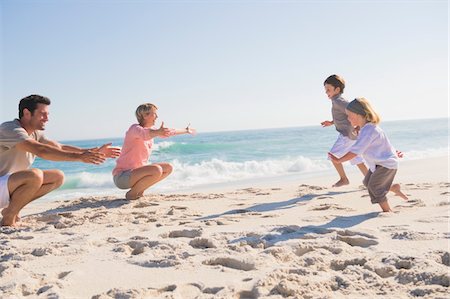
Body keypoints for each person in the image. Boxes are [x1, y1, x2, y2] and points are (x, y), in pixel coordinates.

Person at [0, 95, 121, 226]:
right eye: (42, 114)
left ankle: (11, 210)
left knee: (57, 176)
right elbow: (41, 150)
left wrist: (91, 152)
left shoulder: (35, 133)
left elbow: (60, 147)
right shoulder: (10, 129)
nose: (47, 119)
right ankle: (8, 219)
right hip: (4, 184)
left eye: (47, 114)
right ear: (27, 113)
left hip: (7, 185)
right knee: (35, 175)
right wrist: (79, 158)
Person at [328, 98, 407, 212]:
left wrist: (339, 160)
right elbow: (383, 144)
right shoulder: (367, 128)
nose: (348, 119)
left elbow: (356, 151)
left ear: (359, 115)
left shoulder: (369, 130)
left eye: (350, 116)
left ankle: (387, 211)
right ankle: (393, 187)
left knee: (374, 187)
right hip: (379, 163)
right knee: (367, 182)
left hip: (385, 164)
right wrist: (394, 152)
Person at [112, 103, 196, 200]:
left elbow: (169, 131)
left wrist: (186, 130)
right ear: (145, 115)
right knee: (156, 169)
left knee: (167, 168)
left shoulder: (151, 131)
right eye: (154, 114)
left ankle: (139, 190)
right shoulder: (134, 129)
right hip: (122, 177)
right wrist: (158, 132)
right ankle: (132, 194)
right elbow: (144, 134)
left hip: (136, 174)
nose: (157, 117)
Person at [321, 74, 368, 187]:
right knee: (357, 158)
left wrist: (359, 125)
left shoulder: (339, 101)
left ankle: (343, 179)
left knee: (333, 156)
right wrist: (332, 122)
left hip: (347, 135)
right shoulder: (336, 101)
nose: (326, 92)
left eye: (328, 89)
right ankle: (369, 181)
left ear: (337, 89)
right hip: (351, 135)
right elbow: (344, 116)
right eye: (325, 90)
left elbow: (353, 110)